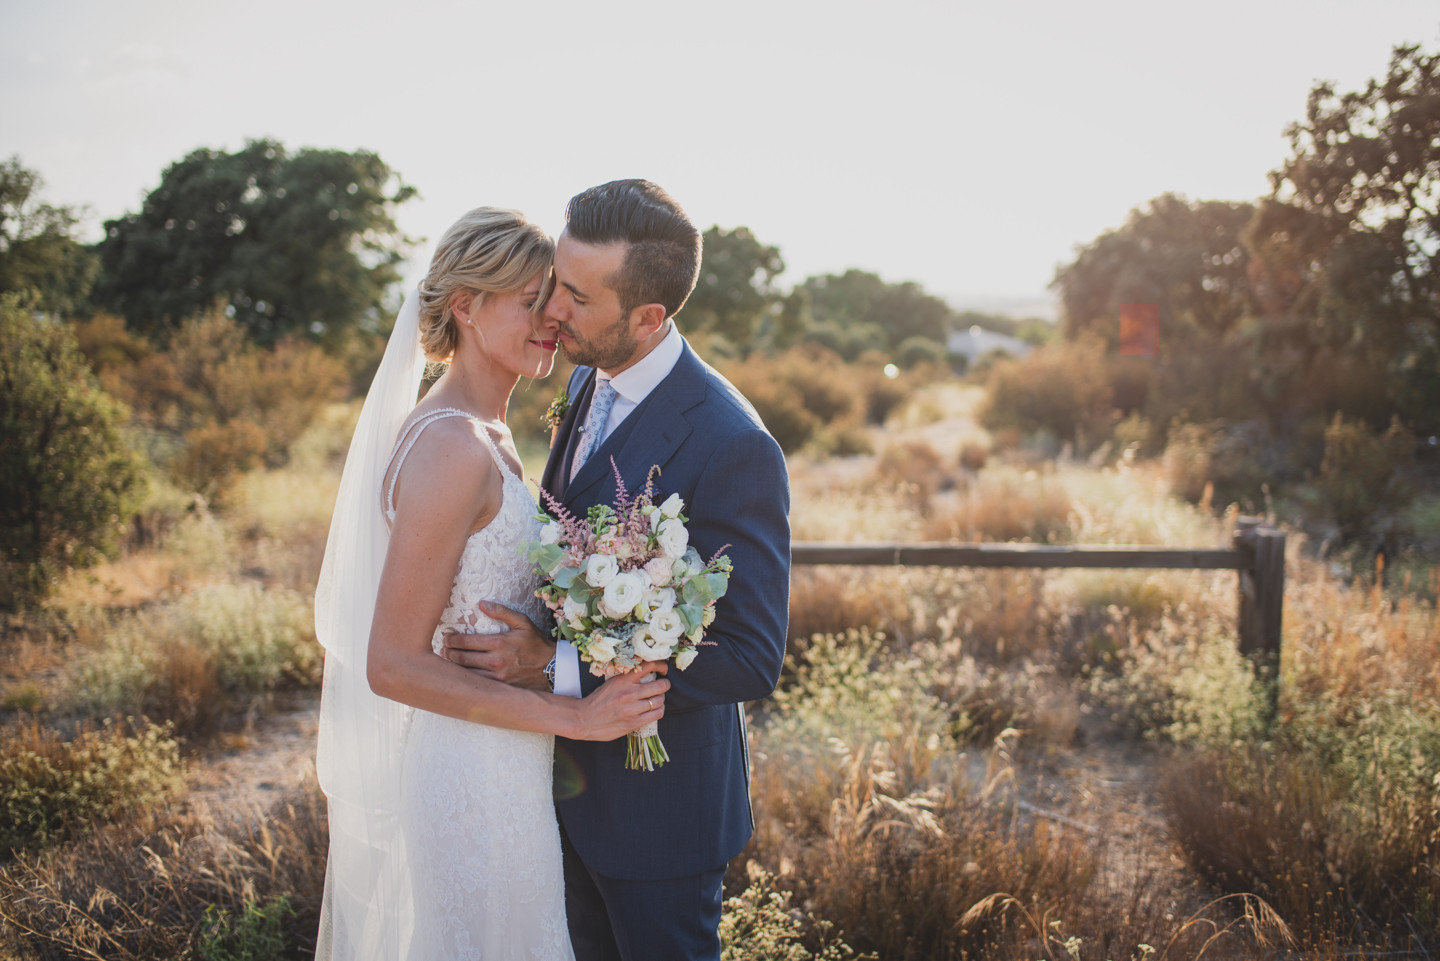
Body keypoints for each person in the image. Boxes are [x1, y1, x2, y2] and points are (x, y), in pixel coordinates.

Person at [443, 180, 792, 961]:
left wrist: (553, 665)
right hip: (559, 790)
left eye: (575, 294)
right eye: (555, 281)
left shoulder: (733, 442)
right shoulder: (579, 379)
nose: (549, 308)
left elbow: (749, 653)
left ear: (648, 317)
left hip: (660, 816)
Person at [313, 206, 671, 961]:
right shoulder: (449, 446)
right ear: (465, 308)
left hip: (509, 763)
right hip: (469, 778)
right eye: (528, 299)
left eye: (554, 298)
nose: (551, 320)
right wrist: (575, 719)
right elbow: (392, 663)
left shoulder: (491, 433)